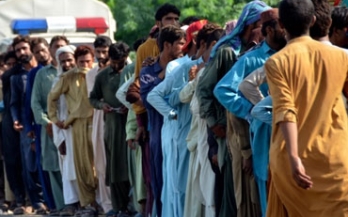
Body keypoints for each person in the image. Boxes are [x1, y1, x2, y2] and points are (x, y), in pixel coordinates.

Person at [264, 0, 348, 216]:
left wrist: (294, 159)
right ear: (312, 21)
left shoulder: (277, 62)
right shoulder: (341, 56)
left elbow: (285, 110)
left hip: (292, 164)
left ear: (281, 24)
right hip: (335, 160)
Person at [195, 2, 270, 216]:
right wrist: (213, 125)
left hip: (255, 131)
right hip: (231, 133)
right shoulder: (229, 52)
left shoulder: (256, 52)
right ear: (250, 25)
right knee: (236, 193)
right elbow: (205, 90)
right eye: (260, 24)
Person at [147, 20, 206, 217]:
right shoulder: (179, 66)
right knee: (177, 187)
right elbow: (159, 97)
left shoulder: (208, 63)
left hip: (196, 133)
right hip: (177, 133)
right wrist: (172, 114)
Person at [177, 24, 224, 217]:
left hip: (209, 137)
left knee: (209, 191)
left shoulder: (212, 70)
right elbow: (184, 97)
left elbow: (198, 106)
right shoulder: (201, 71)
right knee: (202, 191)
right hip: (201, 139)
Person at [139, 25, 186, 217]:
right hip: (159, 134)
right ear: (167, 45)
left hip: (183, 132)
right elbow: (148, 100)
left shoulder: (186, 65)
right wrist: (165, 74)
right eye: (181, 43)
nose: (184, 47)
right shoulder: (149, 70)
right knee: (161, 180)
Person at [48, 45, 97, 216]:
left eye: (87, 61)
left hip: (96, 124)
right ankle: (84, 204)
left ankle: (101, 203)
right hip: (72, 127)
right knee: (80, 167)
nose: (84, 64)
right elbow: (51, 100)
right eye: (81, 61)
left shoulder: (97, 74)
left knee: (98, 165)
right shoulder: (66, 78)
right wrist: (56, 122)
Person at [89, 42, 131, 216]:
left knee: (131, 167)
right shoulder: (103, 75)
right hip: (112, 127)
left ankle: (133, 205)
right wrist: (102, 105)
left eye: (120, 62)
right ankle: (118, 206)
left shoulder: (132, 72)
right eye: (113, 62)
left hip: (131, 124)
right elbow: (93, 98)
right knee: (114, 168)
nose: (116, 66)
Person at [30, 36, 68, 214]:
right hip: (51, 127)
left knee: (73, 165)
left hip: (72, 124)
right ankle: (61, 206)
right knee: (53, 166)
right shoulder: (42, 74)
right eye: (56, 47)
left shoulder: (74, 71)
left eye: (63, 46)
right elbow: (35, 103)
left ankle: (78, 204)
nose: (59, 49)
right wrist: (47, 123)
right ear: (51, 50)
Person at [9, 35, 45, 215]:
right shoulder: (16, 78)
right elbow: (14, 103)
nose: (22, 52)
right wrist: (16, 118)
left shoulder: (44, 71)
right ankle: (37, 201)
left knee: (48, 161)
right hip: (26, 125)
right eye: (18, 50)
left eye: (24, 48)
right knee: (30, 164)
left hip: (46, 123)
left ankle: (51, 199)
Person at [51, 45, 80, 216]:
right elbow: (54, 111)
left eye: (70, 60)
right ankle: (71, 203)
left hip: (82, 128)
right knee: (68, 167)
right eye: (63, 61)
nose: (67, 64)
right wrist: (59, 138)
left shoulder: (82, 78)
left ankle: (87, 202)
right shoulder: (57, 82)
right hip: (64, 130)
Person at [85, 36, 113, 215]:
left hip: (118, 120)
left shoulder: (123, 68)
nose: (101, 55)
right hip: (100, 119)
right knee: (102, 164)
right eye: (99, 52)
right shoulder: (92, 74)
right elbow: (94, 98)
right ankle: (107, 203)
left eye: (105, 51)